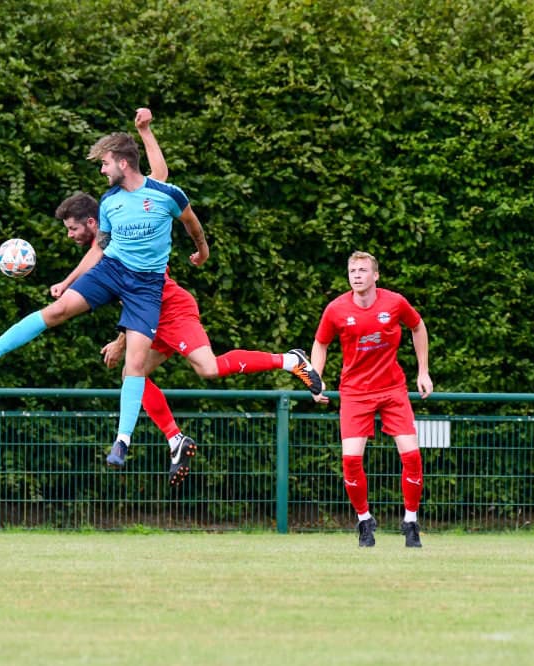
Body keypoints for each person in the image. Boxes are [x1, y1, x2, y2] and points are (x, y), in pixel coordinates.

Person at [51, 109, 323, 486]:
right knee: (134, 375)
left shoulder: (127, 223)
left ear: (92, 223)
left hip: (171, 309)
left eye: (72, 229)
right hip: (151, 317)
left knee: (207, 369)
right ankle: (176, 439)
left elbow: (158, 180)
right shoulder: (120, 220)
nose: (70, 235)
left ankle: (289, 360)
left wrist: (146, 132)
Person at [0, 123, 210, 471]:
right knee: (57, 311)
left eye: (105, 163)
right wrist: (69, 282)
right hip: (112, 271)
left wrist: (202, 249)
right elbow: (101, 248)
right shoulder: (109, 202)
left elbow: (192, 223)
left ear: (123, 162)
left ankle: (122, 442)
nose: (102, 170)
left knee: (135, 364)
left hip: (146, 287)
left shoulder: (166, 194)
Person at [310, 251, 433, 548]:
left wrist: (423, 371)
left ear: (375, 275)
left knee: (412, 456)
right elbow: (320, 343)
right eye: (352, 270)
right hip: (355, 392)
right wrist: (315, 378)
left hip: (392, 389)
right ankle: (365, 521)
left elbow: (417, 326)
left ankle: (411, 521)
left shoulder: (395, 302)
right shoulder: (336, 309)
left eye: (363, 270)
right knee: (351, 461)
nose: (357, 275)